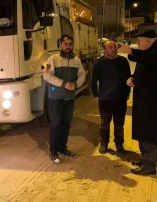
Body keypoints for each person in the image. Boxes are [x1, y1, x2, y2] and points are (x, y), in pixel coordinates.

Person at [119, 28, 157, 176]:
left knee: (149, 132)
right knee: (143, 131)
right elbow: (143, 67)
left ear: (149, 40)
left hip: (152, 102)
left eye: (139, 40)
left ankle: (149, 166)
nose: (137, 43)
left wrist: (130, 51)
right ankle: (146, 160)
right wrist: (133, 77)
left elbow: (148, 64)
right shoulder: (150, 53)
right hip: (144, 100)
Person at [43, 34, 85, 164]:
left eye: (70, 44)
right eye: (65, 44)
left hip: (69, 97)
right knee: (55, 124)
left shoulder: (76, 60)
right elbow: (47, 75)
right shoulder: (53, 59)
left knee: (66, 124)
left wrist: (76, 84)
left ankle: (62, 148)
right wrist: (64, 83)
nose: (68, 46)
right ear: (61, 45)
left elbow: (82, 75)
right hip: (56, 97)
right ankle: (53, 151)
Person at [91, 40, 131, 155]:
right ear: (104, 50)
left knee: (119, 123)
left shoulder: (123, 61)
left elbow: (128, 78)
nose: (114, 49)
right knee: (105, 123)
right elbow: (93, 80)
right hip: (105, 99)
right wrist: (95, 94)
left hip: (120, 98)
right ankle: (104, 143)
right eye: (110, 47)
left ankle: (119, 144)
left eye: (114, 47)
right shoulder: (99, 63)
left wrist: (127, 92)